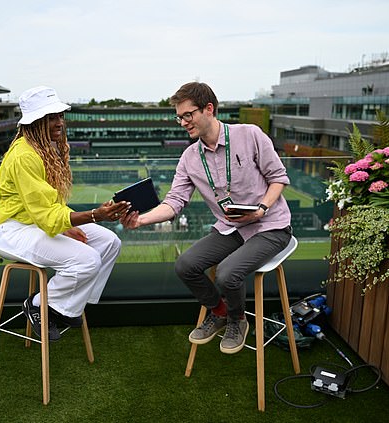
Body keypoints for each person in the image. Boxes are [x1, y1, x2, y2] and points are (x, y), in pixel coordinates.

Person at [121, 82, 292, 354]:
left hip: (270, 226)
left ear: (208, 109)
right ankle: (221, 312)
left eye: (188, 115)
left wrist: (261, 208)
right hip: (230, 229)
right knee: (185, 265)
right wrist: (140, 220)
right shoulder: (189, 157)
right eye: (179, 117)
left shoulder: (250, 134)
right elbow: (174, 202)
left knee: (226, 273)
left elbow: (278, 179)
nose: (183, 123)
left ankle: (238, 320)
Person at [0, 86, 130, 341]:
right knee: (87, 260)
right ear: (36, 122)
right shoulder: (24, 156)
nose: (60, 122)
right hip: (12, 230)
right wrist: (95, 215)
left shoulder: (46, 149)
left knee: (109, 242)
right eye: (52, 117)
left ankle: (67, 308)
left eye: (60, 116)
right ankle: (40, 304)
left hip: (36, 223)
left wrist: (68, 225)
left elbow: (50, 208)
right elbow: (46, 215)